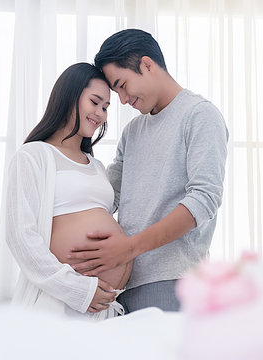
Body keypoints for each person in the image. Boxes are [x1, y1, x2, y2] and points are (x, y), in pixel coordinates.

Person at [67, 29, 229, 313]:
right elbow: (108, 196)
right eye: (115, 92)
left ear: (147, 64)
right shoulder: (133, 132)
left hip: (173, 282)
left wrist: (128, 249)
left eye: (122, 85)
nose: (122, 100)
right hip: (121, 286)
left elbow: (204, 200)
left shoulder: (200, 116)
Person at [5, 62, 132, 320]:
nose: (101, 113)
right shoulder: (34, 155)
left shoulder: (95, 165)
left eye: (106, 107)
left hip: (104, 309)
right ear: (70, 96)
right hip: (59, 304)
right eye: (94, 102)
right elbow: (20, 236)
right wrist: (78, 290)